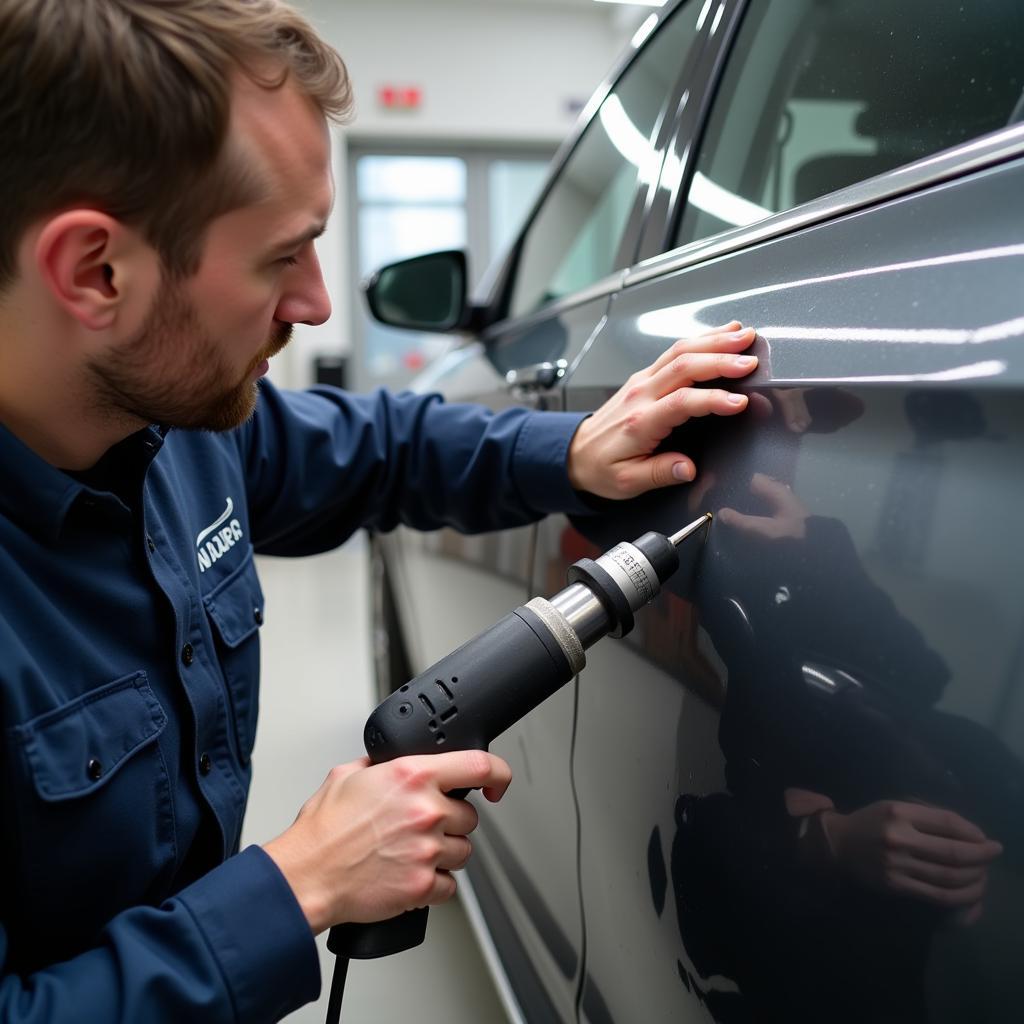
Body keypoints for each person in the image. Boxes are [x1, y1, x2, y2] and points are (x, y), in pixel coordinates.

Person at [0, 1, 759, 1020]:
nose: (315, 303)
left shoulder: (176, 424)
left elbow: (373, 449)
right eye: (282, 256)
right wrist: (296, 883)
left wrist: (573, 448)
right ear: (97, 270)